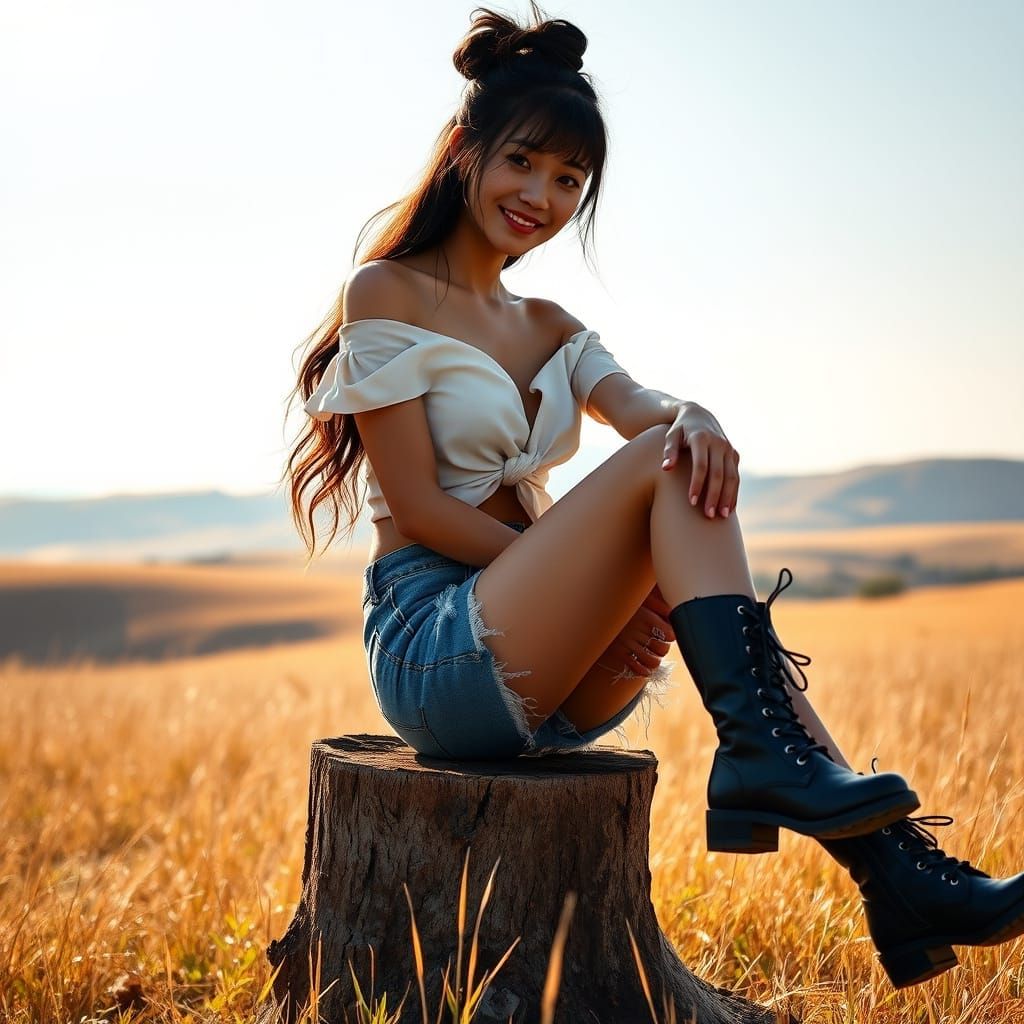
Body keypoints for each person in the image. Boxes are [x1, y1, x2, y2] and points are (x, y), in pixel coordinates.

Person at [284, 2, 1024, 989]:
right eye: (522, 162)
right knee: (666, 463)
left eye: (568, 180)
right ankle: (807, 796)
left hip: (548, 666)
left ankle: (893, 869)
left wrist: (700, 411)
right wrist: (590, 597)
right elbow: (415, 509)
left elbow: (641, 407)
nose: (540, 195)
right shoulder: (386, 291)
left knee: (679, 450)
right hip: (437, 644)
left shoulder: (551, 322)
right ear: (465, 151)